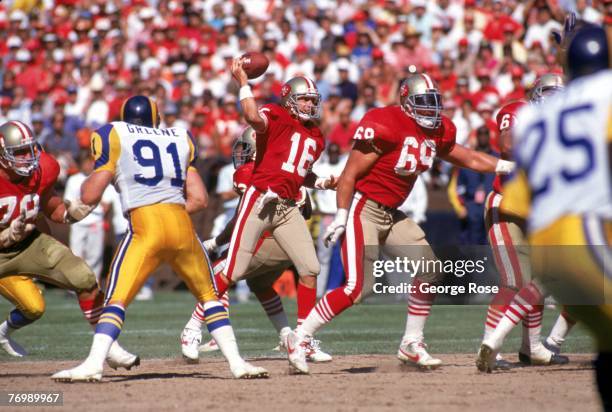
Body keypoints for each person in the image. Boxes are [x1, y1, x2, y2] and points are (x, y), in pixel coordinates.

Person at [285, 73, 515, 374]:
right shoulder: (385, 123)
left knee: (430, 269)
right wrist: (341, 216)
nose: (431, 109)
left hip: (391, 214)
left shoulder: (437, 131)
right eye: (423, 102)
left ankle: (411, 342)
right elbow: (350, 174)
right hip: (363, 208)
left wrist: (507, 165)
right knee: (358, 288)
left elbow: (467, 158)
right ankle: (300, 338)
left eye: (434, 102)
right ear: (406, 104)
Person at [52, 95, 267, 381]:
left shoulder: (113, 134)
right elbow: (200, 199)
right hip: (180, 225)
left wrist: (77, 207)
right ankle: (238, 363)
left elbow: (91, 195)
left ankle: (93, 363)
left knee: (116, 299)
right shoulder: (180, 137)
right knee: (209, 297)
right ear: (156, 119)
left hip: (146, 226)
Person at [495, 24, 611, 409]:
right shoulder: (604, 95)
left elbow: (521, 195)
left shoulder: (533, 120)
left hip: (548, 243)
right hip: (590, 233)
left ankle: (512, 341)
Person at [180, 127, 331, 363]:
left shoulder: (250, 171)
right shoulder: (290, 170)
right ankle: (293, 337)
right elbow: (306, 210)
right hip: (289, 246)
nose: (243, 154)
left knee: (219, 271)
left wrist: (217, 243)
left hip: (267, 241)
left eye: (247, 148)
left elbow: (244, 216)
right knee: (261, 284)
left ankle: (193, 328)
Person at [211, 59, 336, 338]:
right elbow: (252, 118)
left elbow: (298, 172)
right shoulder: (276, 115)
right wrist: (243, 82)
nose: (309, 104)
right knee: (232, 270)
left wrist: (324, 182)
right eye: (303, 99)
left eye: (311, 100)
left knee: (310, 268)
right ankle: (194, 325)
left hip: (287, 206)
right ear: (289, 99)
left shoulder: (315, 136)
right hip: (260, 201)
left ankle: (303, 337)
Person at [0, 120, 138, 371]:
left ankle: (110, 348)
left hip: (29, 243)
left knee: (83, 277)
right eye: (19, 152)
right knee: (33, 306)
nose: (28, 158)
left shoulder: (44, 167)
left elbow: (46, 203)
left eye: (31, 149)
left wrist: (68, 213)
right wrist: (5, 236)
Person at [477, 73, 570, 370]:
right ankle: (491, 346)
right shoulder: (518, 111)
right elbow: (507, 145)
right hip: (506, 205)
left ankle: (533, 347)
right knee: (514, 280)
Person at [64, 151, 114, 283]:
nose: (88, 165)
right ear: (81, 164)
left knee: (95, 255)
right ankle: (75, 285)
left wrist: (85, 203)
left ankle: (93, 284)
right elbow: (68, 202)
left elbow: (106, 204)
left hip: (96, 220)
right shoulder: (73, 180)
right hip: (78, 221)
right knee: (75, 254)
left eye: (91, 162)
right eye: (86, 162)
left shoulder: (100, 178)